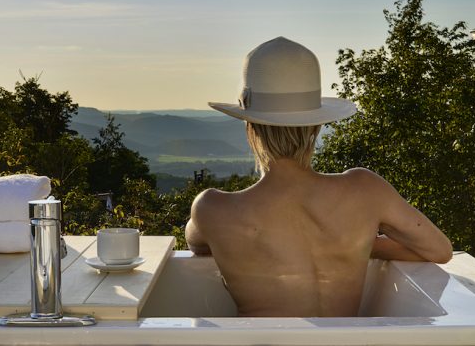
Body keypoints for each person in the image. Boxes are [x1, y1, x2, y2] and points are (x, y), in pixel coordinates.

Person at [186, 36, 452, 317]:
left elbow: (196, 243)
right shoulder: (365, 189)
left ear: (251, 128)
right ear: (315, 128)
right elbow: (439, 250)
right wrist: (361, 244)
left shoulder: (212, 208)